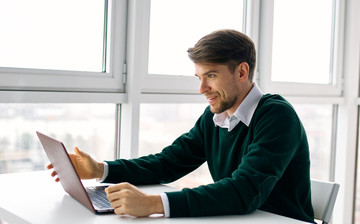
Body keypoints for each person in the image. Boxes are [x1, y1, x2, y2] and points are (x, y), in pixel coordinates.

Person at [48, 29, 314, 223]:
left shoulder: (277, 116)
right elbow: (168, 163)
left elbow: (245, 191)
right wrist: (101, 169)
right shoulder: (216, 119)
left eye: (210, 75)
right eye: (199, 77)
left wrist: (154, 204)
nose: (201, 89)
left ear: (242, 72)